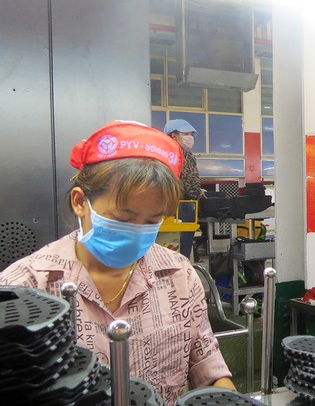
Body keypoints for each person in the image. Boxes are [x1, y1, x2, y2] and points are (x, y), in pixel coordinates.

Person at [0, 121, 235, 405]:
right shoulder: (26, 287)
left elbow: (208, 368)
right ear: (79, 203)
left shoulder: (178, 274)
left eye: (152, 221)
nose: (137, 231)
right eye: (123, 219)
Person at [163, 119, 205, 259]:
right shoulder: (168, 153)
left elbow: (189, 178)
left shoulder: (188, 154)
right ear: (173, 136)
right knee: (173, 247)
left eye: (191, 134)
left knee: (184, 247)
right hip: (175, 205)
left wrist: (198, 190)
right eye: (186, 134)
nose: (190, 138)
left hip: (188, 204)